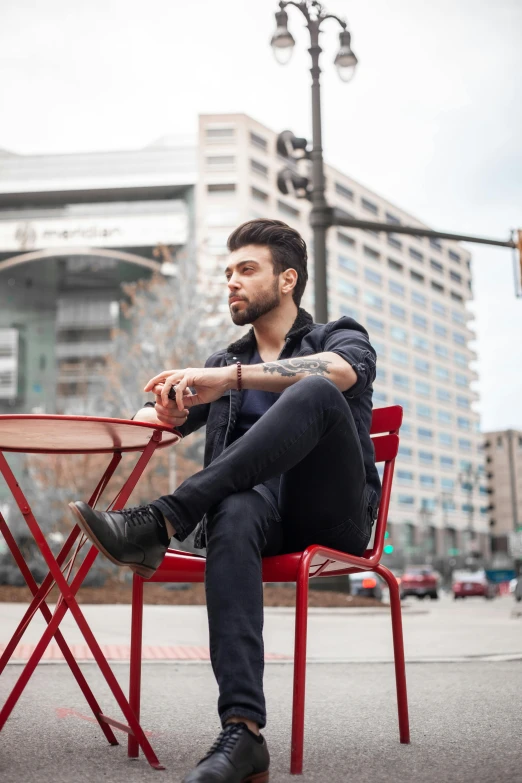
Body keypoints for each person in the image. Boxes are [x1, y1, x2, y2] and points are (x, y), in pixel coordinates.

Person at [69, 218, 380, 783]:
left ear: (287, 280)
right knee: (233, 508)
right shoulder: (219, 363)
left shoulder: (337, 336)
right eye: (227, 272)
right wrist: (162, 414)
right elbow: (153, 426)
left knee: (313, 388)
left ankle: (162, 519)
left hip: (330, 515)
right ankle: (243, 732)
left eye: (246, 270)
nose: (231, 282)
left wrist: (232, 380)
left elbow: (339, 374)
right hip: (256, 521)